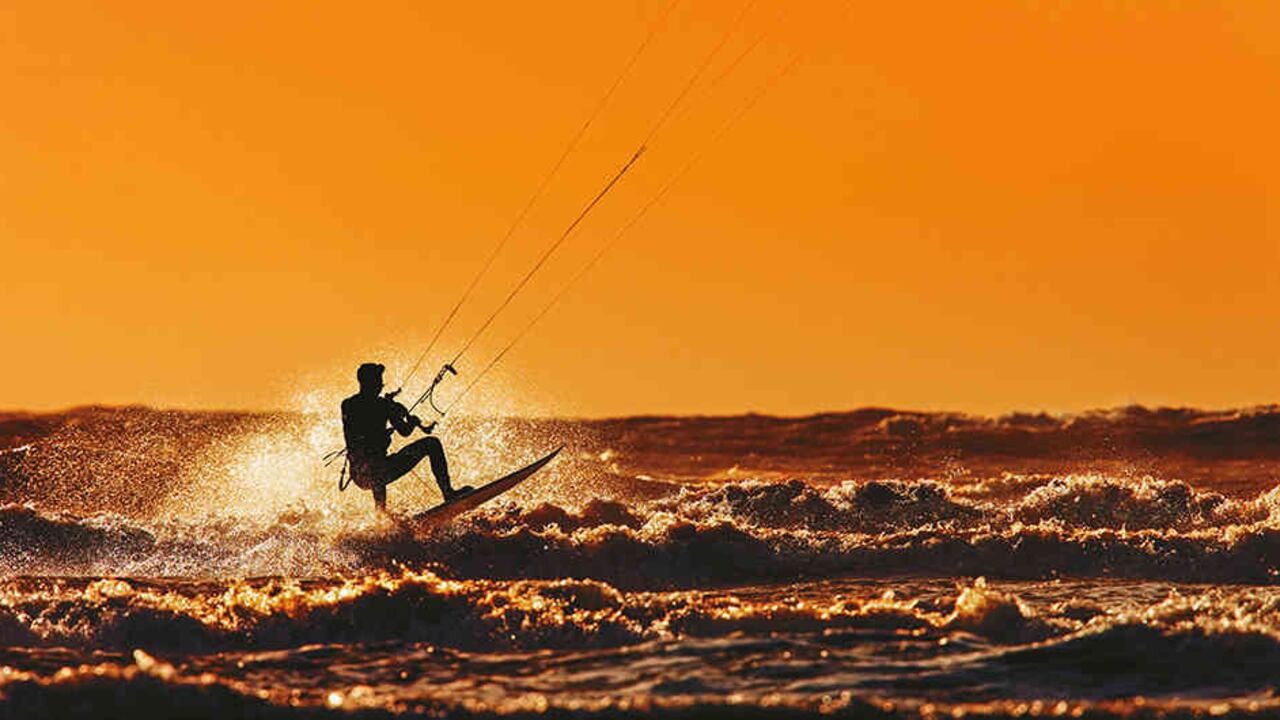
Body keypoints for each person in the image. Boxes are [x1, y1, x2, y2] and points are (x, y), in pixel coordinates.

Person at [341, 362, 469, 512]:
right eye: (379, 382)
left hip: (361, 474)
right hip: (370, 471)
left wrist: (402, 416)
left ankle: (381, 514)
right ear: (370, 383)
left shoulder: (350, 404)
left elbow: (399, 429)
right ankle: (446, 492)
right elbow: (403, 431)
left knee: (378, 464)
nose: (382, 386)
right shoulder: (375, 405)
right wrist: (408, 419)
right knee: (430, 444)